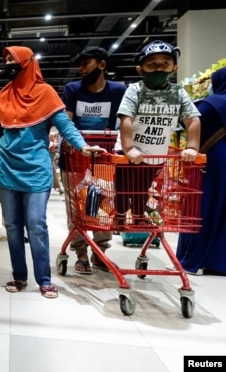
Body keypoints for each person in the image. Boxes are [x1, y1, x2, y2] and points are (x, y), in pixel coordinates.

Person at [0, 45, 104, 299]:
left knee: (36, 223)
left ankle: (44, 279)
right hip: (5, 168)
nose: (8, 65)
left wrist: (82, 146)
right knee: (13, 227)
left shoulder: (46, 93)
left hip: (36, 169)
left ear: (27, 63)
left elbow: (64, 124)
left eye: (12, 61)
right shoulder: (3, 96)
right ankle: (19, 276)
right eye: (5, 61)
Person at [115, 40, 200, 228]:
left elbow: (192, 119)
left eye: (165, 64)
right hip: (128, 153)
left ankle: (138, 217)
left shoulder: (178, 93)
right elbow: (126, 119)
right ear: (141, 69)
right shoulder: (135, 90)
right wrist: (129, 148)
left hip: (156, 154)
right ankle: (119, 218)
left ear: (174, 67)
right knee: (123, 187)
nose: (158, 69)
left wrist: (193, 147)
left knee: (142, 189)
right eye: (152, 64)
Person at [60, 46, 126, 274]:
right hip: (74, 159)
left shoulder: (118, 91)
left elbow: (126, 122)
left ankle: (100, 254)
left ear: (102, 65)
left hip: (105, 160)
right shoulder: (72, 90)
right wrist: (70, 141)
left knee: (103, 208)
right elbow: (67, 122)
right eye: (79, 64)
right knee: (76, 209)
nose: (81, 69)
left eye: (85, 63)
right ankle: (80, 254)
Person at [175, 66, 226, 275]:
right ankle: (219, 262)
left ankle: (193, 257)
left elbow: (191, 120)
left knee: (201, 209)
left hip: (213, 162)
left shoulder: (214, 103)